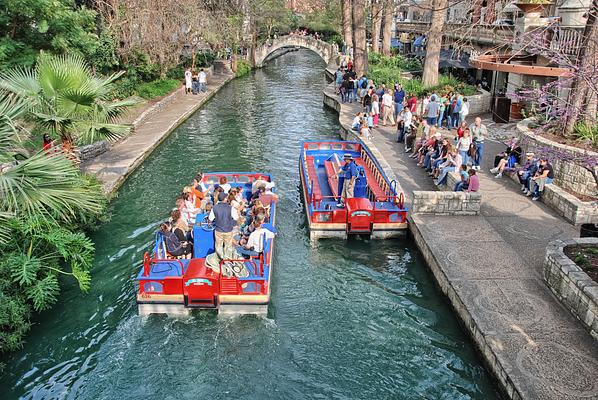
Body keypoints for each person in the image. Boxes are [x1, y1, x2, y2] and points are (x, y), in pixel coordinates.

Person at [209, 191, 239, 258]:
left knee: (218, 246)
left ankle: (219, 259)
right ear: (225, 199)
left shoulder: (214, 208)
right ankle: (227, 260)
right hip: (228, 230)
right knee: (228, 246)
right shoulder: (231, 208)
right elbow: (236, 218)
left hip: (218, 230)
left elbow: (210, 219)